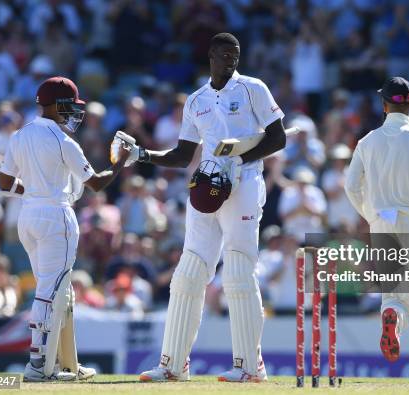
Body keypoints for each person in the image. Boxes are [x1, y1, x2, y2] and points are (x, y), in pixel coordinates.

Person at [119, 33, 286, 382]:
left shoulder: (253, 88)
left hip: (244, 183)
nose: (231, 59)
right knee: (188, 273)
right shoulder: (196, 101)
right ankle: (172, 364)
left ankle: (250, 367)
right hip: (206, 186)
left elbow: (277, 138)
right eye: (225, 54)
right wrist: (143, 154)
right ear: (211, 56)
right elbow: (182, 155)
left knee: (238, 272)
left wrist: (238, 160)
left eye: (236, 54)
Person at [0, 76, 131, 382]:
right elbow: (96, 184)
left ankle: (67, 363)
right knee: (49, 291)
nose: (73, 113)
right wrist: (121, 162)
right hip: (57, 217)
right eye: (69, 106)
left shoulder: (19, 135)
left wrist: (31, 191)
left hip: (27, 217)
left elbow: (5, 184)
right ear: (55, 106)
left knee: (62, 293)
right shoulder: (63, 141)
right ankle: (39, 365)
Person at [345, 77, 409, 383]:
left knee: (394, 295)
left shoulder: (367, 141)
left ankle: (394, 317)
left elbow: (351, 187)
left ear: (384, 104)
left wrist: (373, 215)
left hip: (383, 225)